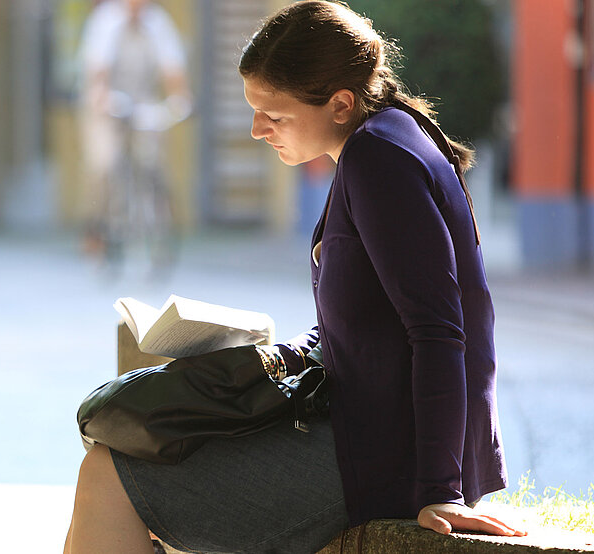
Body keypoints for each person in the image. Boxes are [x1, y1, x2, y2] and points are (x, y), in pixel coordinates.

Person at [63, 2, 526, 553]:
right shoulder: (384, 136)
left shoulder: (379, 159)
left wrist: (440, 490)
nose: (258, 130)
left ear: (340, 103)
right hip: (369, 434)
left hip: (382, 459)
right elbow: (371, 324)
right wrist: (280, 354)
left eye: (274, 115)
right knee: (143, 454)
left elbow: (441, 330)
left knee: (110, 475)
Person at [76, 0, 191, 258]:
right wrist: (101, 97)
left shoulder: (158, 22)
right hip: (107, 101)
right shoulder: (105, 20)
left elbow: (173, 69)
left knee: (155, 160)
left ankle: (162, 226)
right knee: (104, 163)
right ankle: (95, 228)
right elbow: (98, 72)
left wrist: (180, 99)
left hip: (142, 99)